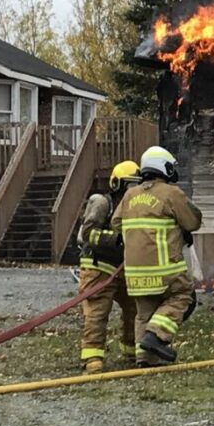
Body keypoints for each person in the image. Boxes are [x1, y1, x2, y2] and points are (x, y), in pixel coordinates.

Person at [112, 146, 201, 365]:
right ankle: (156, 336)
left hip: (134, 273)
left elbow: (116, 224)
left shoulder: (130, 194)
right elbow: (193, 222)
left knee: (144, 313)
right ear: (164, 167)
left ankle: (145, 358)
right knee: (183, 296)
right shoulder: (171, 194)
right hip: (165, 269)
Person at [77, 160, 141, 374]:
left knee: (134, 307)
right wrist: (117, 239)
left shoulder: (135, 207)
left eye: (138, 185)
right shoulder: (103, 203)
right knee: (97, 311)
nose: (134, 191)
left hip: (123, 267)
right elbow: (88, 234)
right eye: (130, 186)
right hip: (99, 267)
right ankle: (93, 356)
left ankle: (131, 350)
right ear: (117, 184)